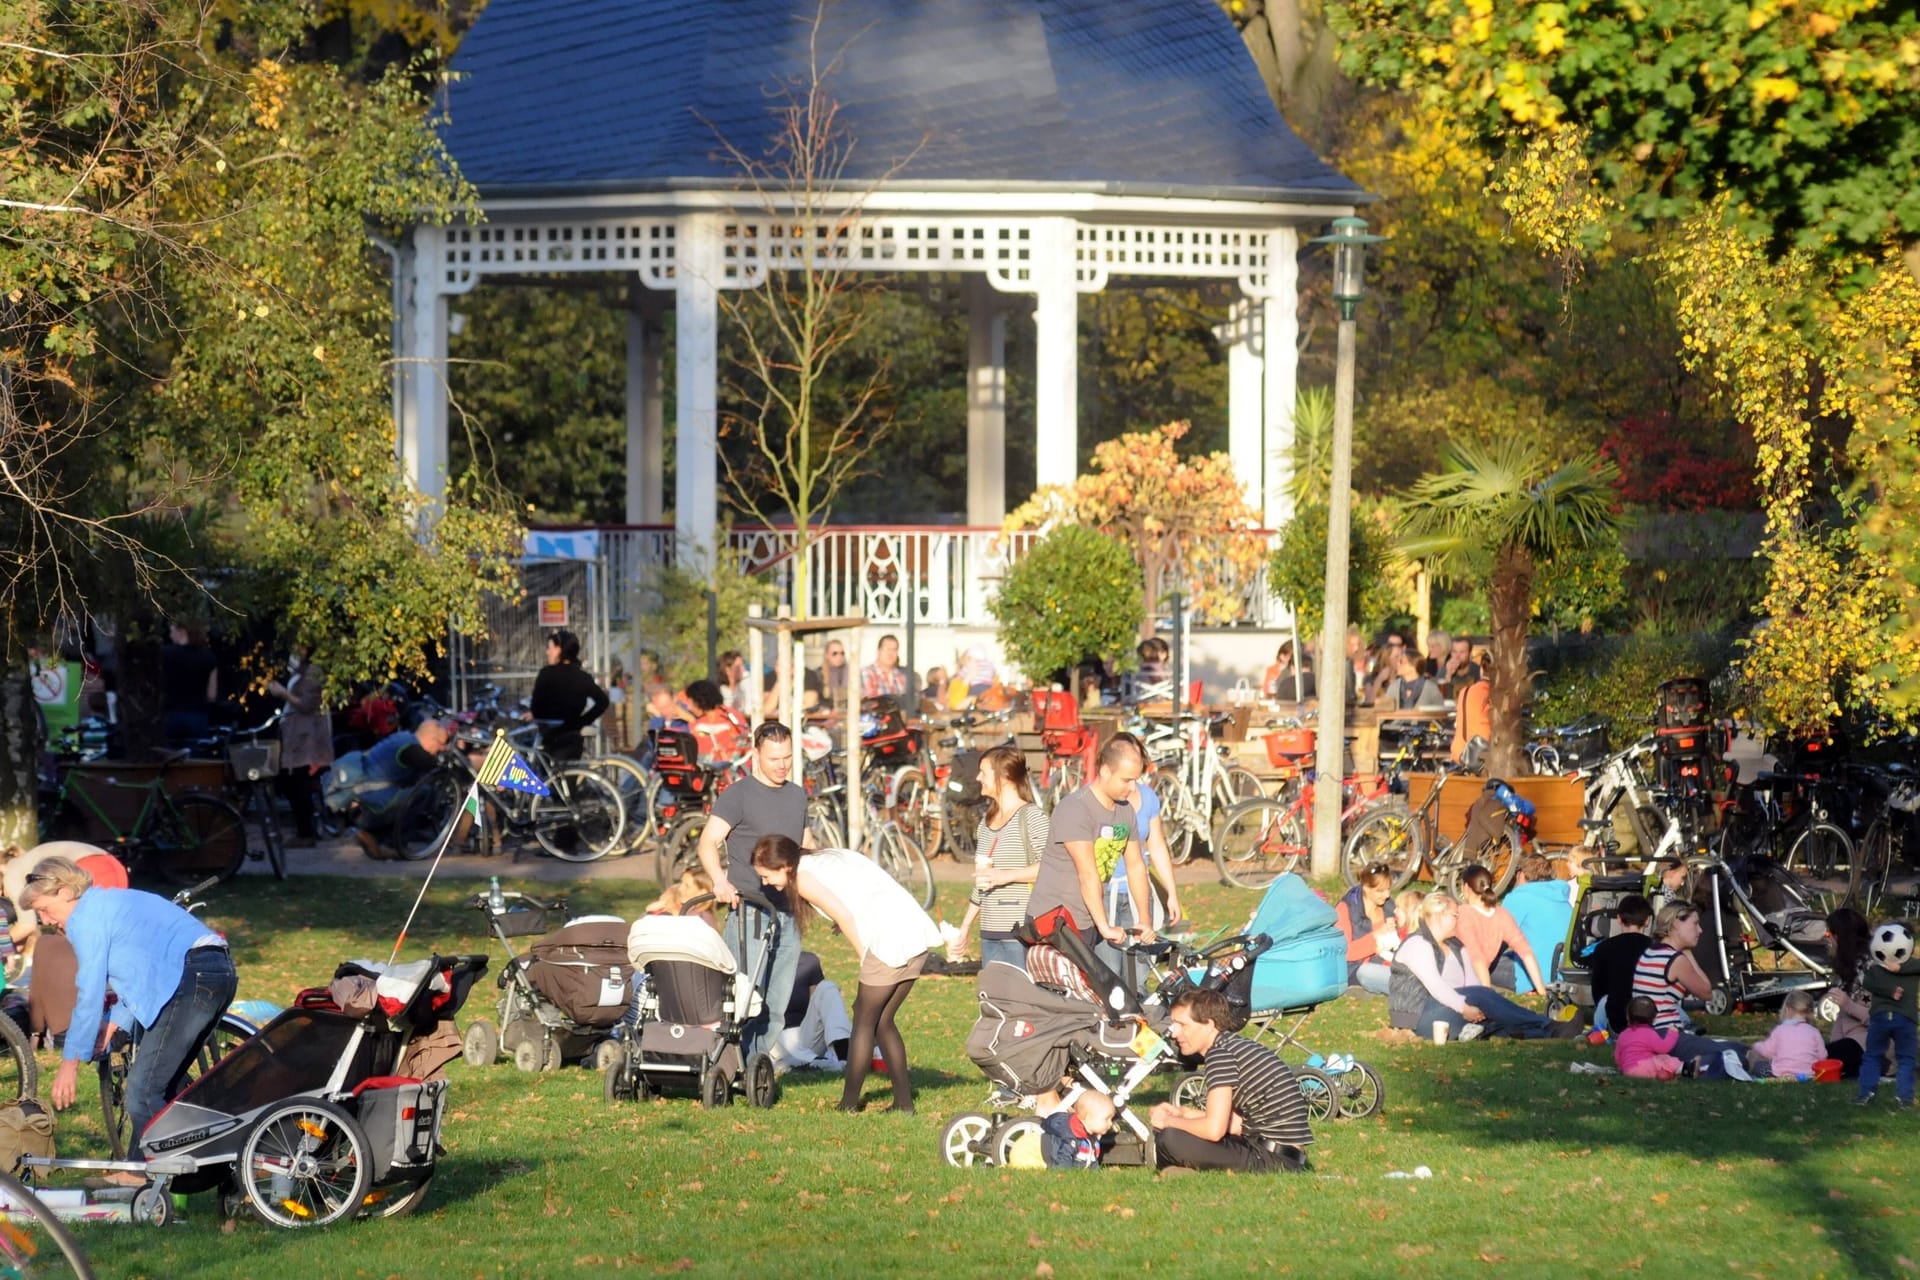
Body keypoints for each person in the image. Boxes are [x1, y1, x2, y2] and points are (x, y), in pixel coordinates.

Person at [23, 857, 237, 1179]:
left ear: (66, 893)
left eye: (44, 909)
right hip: (214, 971)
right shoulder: (110, 904)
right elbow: (143, 970)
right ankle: (140, 1171)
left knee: (142, 1090)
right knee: (162, 1083)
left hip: (193, 977)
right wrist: (114, 1023)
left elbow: (90, 991)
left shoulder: (86, 918)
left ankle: (207, 1172)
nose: (44, 919)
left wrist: (70, 1063)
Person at [749, 836, 941, 1113]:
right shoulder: (826, 857)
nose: (766, 883)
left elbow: (845, 916)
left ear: (784, 867)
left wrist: (863, 955)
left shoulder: (803, 878)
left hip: (889, 940)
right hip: (912, 930)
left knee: (864, 1020)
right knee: (882, 1021)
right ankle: (904, 1103)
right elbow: (860, 890)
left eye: (767, 876)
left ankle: (849, 1103)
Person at [696, 722, 810, 1064]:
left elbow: (806, 848)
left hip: (788, 912)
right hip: (749, 911)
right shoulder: (738, 795)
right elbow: (707, 843)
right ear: (756, 754)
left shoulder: (797, 795)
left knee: (776, 1002)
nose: (782, 765)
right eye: (774, 758)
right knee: (744, 996)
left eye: (788, 757)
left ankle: (754, 1067)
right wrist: (719, 880)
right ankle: (726, 1062)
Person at [1148, 989, 1312, 1173]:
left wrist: (1170, 1121)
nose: (1174, 1033)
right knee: (1176, 1134)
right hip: (1285, 1155)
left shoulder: (1220, 1055)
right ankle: (1181, 1169)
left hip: (1272, 1158)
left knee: (1170, 1138)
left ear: (1209, 1024)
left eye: (1182, 1025)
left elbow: (1214, 1130)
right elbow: (1234, 1124)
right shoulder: (1232, 1046)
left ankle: (1176, 1167)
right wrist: (1183, 1113)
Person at [1025, 737, 1157, 954]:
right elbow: (1087, 874)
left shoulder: (1125, 812)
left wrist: (1144, 919)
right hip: (1053, 921)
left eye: (1136, 780)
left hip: (1086, 921)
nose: (1133, 788)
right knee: (1060, 988)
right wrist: (1104, 926)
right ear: (1105, 771)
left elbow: (1136, 866)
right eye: (1126, 780)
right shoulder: (1075, 809)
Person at [1387, 892, 1579, 1040]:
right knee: (1482, 997)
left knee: (1496, 1019)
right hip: (1418, 1017)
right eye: (1455, 915)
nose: (1458, 920)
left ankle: (1551, 1033)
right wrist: (1465, 1007)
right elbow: (1436, 987)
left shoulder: (1456, 945)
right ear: (1440, 915)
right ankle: (1548, 1025)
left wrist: (1477, 1006)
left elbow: (1472, 983)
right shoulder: (1418, 944)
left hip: (1450, 1007)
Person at [951, 745, 1047, 970]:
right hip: (990, 932)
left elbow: (1051, 868)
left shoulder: (1032, 817)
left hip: (1022, 932)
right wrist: (965, 927)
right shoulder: (986, 823)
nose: (978, 778)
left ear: (1003, 777)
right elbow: (982, 881)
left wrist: (1005, 876)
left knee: (1022, 1001)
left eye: (984, 772)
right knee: (992, 1002)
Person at [1630, 903, 1753, 1077]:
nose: (1700, 930)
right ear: (1675, 924)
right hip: (1665, 1035)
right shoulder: (1674, 959)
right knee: (1740, 1051)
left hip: (1643, 1035)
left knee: (1726, 1048)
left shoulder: (1650, 952)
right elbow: (1706, 992)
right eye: (1695, 924)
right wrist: (1688, 954)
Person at [351, 719, 449, 859]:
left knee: (410, 791)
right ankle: (391, 844)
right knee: (423, 793)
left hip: (364, 801)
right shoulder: (412, 751)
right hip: (373, 805)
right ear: (432, 739)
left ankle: (374, 837)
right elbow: (435, 766)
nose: (441, 749)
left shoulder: (403, 739)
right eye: (441, 745)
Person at [267, 647, 332, 845]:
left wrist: (283, 693)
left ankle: (306, 833)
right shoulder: (300, 669)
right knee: (293, 783)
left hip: (307, 737)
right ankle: (304, 830)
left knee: (297, 783)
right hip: (297, 733)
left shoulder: (313, 671)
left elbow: (307, 704)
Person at [1453, 865, 1548, 993]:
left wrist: (1486, 996)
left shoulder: (1463, 913)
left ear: (1465, 888)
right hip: (1480, 976)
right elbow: (1526, 953)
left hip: (1458, 978)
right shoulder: (1502, 914)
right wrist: (1541, 991)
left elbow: (1476, 957)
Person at [1857, 932, 1920, 1107]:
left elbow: (1866, 983)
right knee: (1906, 1058)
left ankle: (1865, 1093)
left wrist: (1898, 970)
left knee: (1872, 1055)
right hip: (1905, 1018)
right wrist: (1892, 989)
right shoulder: (1913, 966)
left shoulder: (1875, 969)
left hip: (1880, 1017)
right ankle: (1905, 1098)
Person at [528, 630, 609, 763]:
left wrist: (535, 714)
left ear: (560, 650)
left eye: (550, 648)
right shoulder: (582, 677)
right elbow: (603, 701)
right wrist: (581, 722)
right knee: (568, 779)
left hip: (551, 737)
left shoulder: (547, 674)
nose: (547, 652)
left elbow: (537, 708)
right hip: (573, 737)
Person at [1501, 855, 1575, 995]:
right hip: (1564, 971)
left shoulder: (1518, 897)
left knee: (1471, 961)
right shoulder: (1560, 894)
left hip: (1539, 973)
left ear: (1521, 874)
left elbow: (1498, 939)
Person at [773, 950, 854, 1074]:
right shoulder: (758, 965)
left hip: (804, 1034)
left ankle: (845, 1057)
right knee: (778, 1033)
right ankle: (819, 1062)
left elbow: (816, 1001)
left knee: (828, 987)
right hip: (774, 1037)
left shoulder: (808, 961)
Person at [1586, 893, 1655, 1033]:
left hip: (1614, 1019)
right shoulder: (1655, 948)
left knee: (1603, 1001)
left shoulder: (1603, 948)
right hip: (1650, 1016)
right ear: (1647, 921)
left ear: (1618, 919)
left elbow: (1597, 991)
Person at [1823, 907, 1874, 1077]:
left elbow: (1881, 1020)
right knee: (1818, 1054)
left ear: (1838, 937)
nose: (1826, 939)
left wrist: (1849, 1004)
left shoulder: (1872, 970)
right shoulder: (1846, 968)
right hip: (1852, 1041)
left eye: (1829, 935)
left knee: (1816, 1057)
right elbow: (1842, 1018)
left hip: (1872, 1044)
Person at [1335, 864, 1399, 995]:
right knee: (1368, 973)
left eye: (1388, 889)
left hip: (1387, 960)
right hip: (1356, 968)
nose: (1386, 895)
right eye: (1380, 891)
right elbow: (1344, 952)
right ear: (1366, 888)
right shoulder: (1346, 908)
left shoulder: (1389, 905)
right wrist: (1376, 935)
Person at [159, 622, 218, 745]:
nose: (170, 635)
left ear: (181, 631)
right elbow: (211, 695)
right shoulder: (208, 657)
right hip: (198, 715)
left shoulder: (165, 654)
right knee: (196, 760)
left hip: (171, 715)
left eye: (172, 631)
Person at [1748, 990, 1826, 1080]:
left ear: (1787, 1009)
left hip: (1781, 1075)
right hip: (1808, 1075)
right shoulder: (1814, 1031)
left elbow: (1767, 1051)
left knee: (1758, 1066)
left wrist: (1757, 1045)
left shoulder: (1780, 1030)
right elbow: (1822, 1056)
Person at [1613, 996, 1685, 1080]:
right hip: (1644, 1067)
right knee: (1664, 1058)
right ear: (1654, 1018)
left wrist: (1622, 1068)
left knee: (1655, 1063)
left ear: (1628, 1016)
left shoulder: (1623, 1034)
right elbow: (1664, 1048)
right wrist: (1672, 1033)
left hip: (1628, 1070)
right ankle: (1684, 1068)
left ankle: (1663, 1074)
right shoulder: (1650, 1033)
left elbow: (1618, 1056)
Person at [1042, 1090, 1115, 1170]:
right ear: (1089, 1118)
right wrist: (1063, 1175)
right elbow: (1063, 1159)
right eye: (1107, 1119)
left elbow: (1092, 1158)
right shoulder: (1070, 1138)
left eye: (1111, 1119)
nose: (1110, 1123)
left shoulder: (1093, 1138)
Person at [1451, 665, 1491, 765]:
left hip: (1458, 752)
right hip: (1482, 755)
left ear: (1482, 670)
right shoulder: (1495, 693)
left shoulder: (1465, 691)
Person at [860, 635, 911, 702]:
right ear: (878, 651)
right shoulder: (867, 673)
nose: (890, 653)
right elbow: (869, 702)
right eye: (887, 649)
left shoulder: (901, 675)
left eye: (894, 650)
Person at [804, 640, 850, 714]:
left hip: (844, 713)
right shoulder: (817, 674)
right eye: (835, 653)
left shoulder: (848, 672)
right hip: (823, 715)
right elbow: (812, 702)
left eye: (842, 653)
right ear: (827, 655)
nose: (839, 656)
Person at [1443, 636, 1482, 701]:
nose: (1457, 656)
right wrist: (1448, 676)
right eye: (1454, 652)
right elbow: (1443, 701)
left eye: (1462, 652)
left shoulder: (1478, 672)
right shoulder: (1443, 672)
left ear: (1470, 654)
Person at [716, 651, 752, 720]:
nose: (743, 669)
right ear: (728, 670)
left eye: (743, 665)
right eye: (738, 666)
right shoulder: (719, 692)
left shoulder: (744, 686)